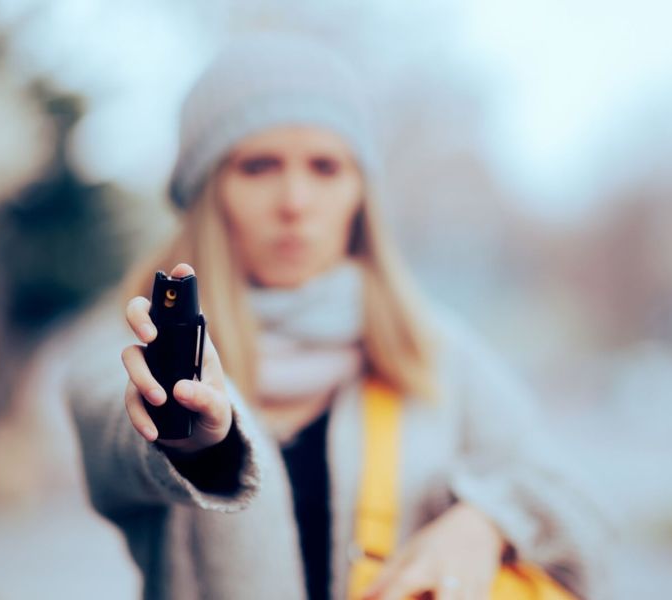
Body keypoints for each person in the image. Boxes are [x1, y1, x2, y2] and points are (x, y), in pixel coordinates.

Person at [66, 32, 611, 600]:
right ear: (206, 190)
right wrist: (194, 441)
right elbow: (118, 435)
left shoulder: (431, 350)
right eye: (258, 166)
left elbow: (580, 508)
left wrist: (486, 525)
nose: (295, 202)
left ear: (359, 192)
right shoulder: (134, 346)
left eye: (325, 167)